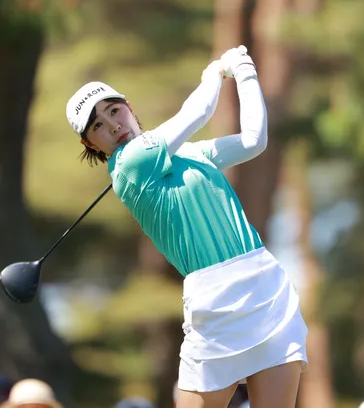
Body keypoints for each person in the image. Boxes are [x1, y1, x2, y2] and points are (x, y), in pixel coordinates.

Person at [65, 46, 308, 408]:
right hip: (214, 300)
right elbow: (199, 111)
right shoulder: (129, 166)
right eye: (98, 125)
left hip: (265, 284)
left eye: (114, 110)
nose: (113, 125)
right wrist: (215, 71)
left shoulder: (190, 153)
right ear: (90, 143)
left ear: (129, 107)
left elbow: (254, 140)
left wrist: (245, 73)